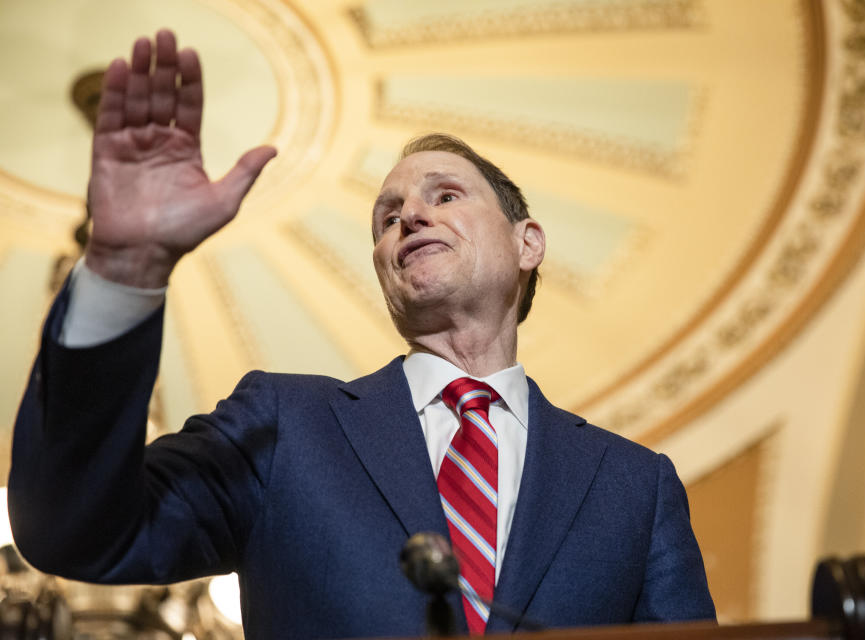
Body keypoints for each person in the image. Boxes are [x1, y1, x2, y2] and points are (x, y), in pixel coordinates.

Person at [8, 30, 715, 639]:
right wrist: (125, 268)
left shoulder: (633, 485)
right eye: (386, 216)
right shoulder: (284, 426)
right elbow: (74, 531)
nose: (409, 217)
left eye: (445, 195)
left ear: (527, 242)